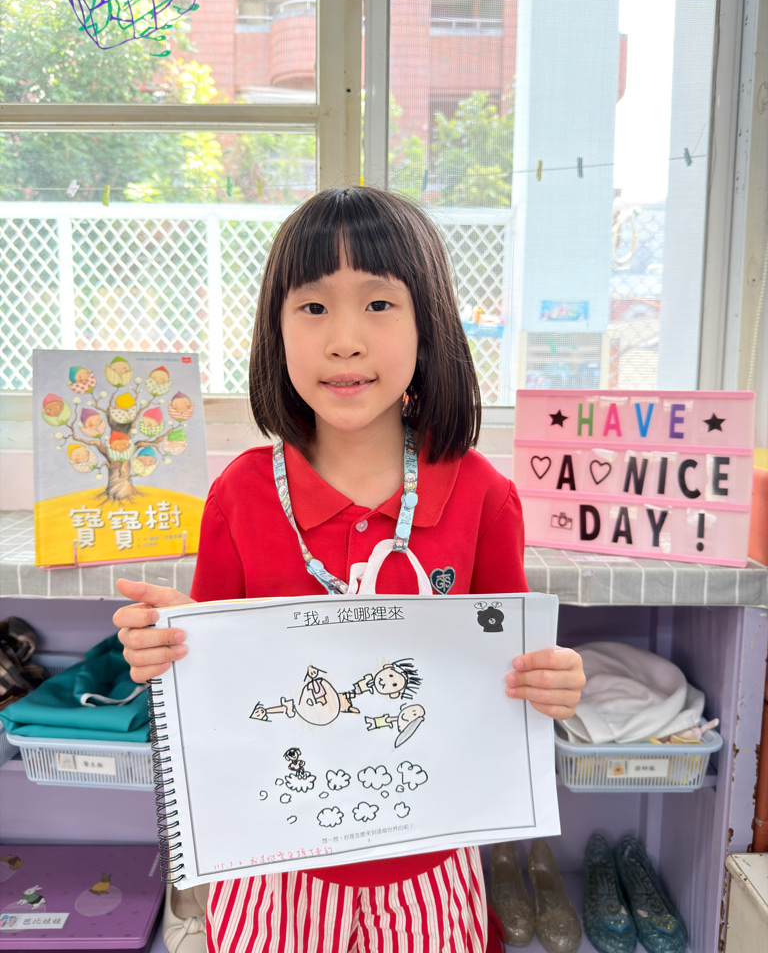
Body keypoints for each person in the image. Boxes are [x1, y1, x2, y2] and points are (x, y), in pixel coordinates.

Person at [114, 186, 586, 953]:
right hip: (271, 863)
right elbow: (221, 703)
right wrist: (171, 649)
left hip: (432, 856)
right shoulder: (240, 494)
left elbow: (507, 676)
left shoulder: (482, 496)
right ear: (275, 330)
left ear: (428, 325)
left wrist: (552, 685)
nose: (343, 341)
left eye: (378, 304)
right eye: (312, 307)